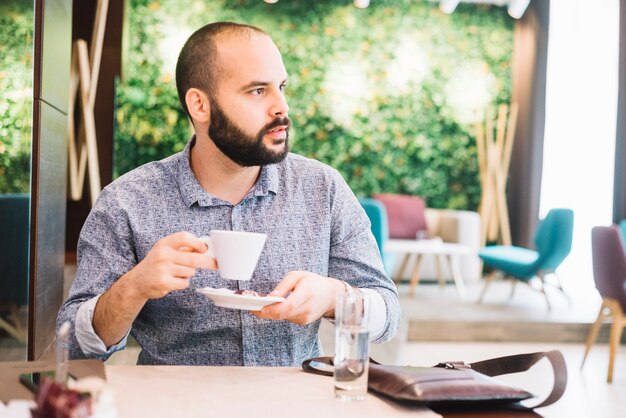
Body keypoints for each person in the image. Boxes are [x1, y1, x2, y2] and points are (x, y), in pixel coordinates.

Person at [57, 21, 400, 366]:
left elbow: (388, 314)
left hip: (295, 403)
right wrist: (133, 287)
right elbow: (71, 345)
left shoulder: (322, 188)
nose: (281, 108)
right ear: (200, 105)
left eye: (281, 87)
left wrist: (335, 297)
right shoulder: (127, 201)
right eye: (257, 91)